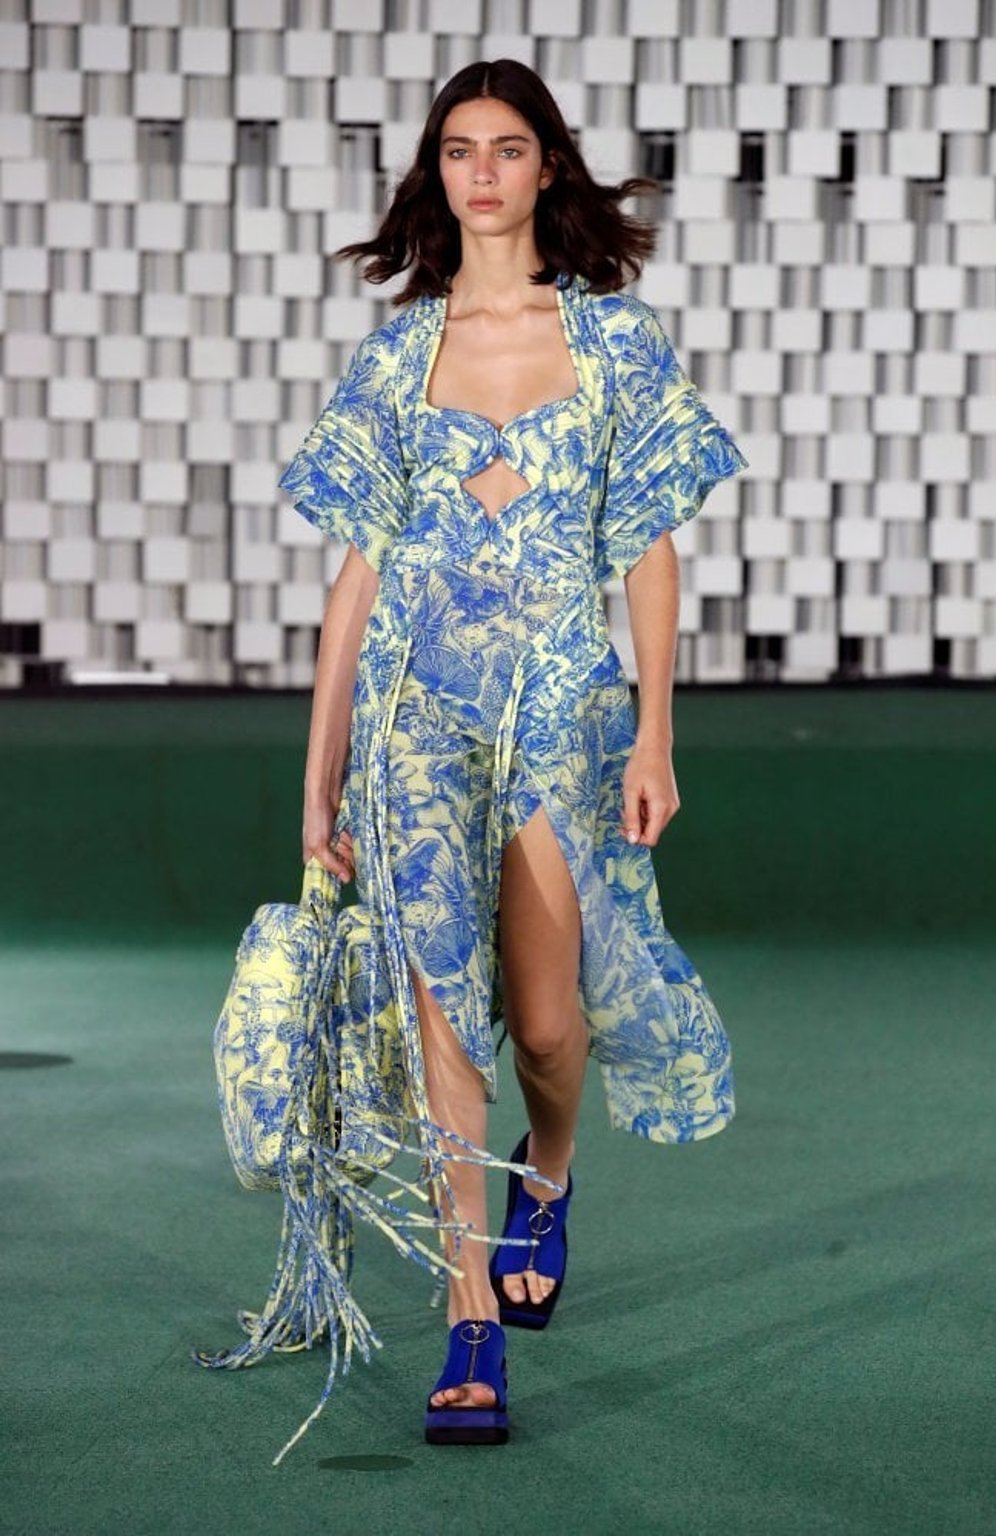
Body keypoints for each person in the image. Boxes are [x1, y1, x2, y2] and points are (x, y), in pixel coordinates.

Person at [223, 57, 748, 1459]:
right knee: (446, 1020)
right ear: (436, 173)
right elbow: (354, 586)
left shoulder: (613, 344)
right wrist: (317, 772)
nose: (483, 173)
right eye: (460, 149)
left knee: (549, 1026)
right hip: (417, 720)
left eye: (509, 149)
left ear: (547, 170)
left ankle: (552, 1175)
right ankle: (467, 1325)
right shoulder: (398, 356)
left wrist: (656, 731)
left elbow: (649, 549)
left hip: (564, 716)